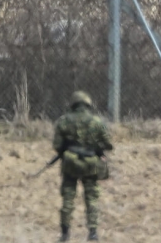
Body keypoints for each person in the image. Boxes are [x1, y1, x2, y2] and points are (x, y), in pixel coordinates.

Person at [53, 91, 113, 242]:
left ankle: (65, 234)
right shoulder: (97, 122)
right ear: (87, 104)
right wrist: (97, 149)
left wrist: (67, 148)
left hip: (70, 164)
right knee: (91, 199)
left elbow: (57, 145)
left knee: (68, 199)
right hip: (90, 164)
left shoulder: (64, 121)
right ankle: (92, 233)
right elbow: (108, 144)